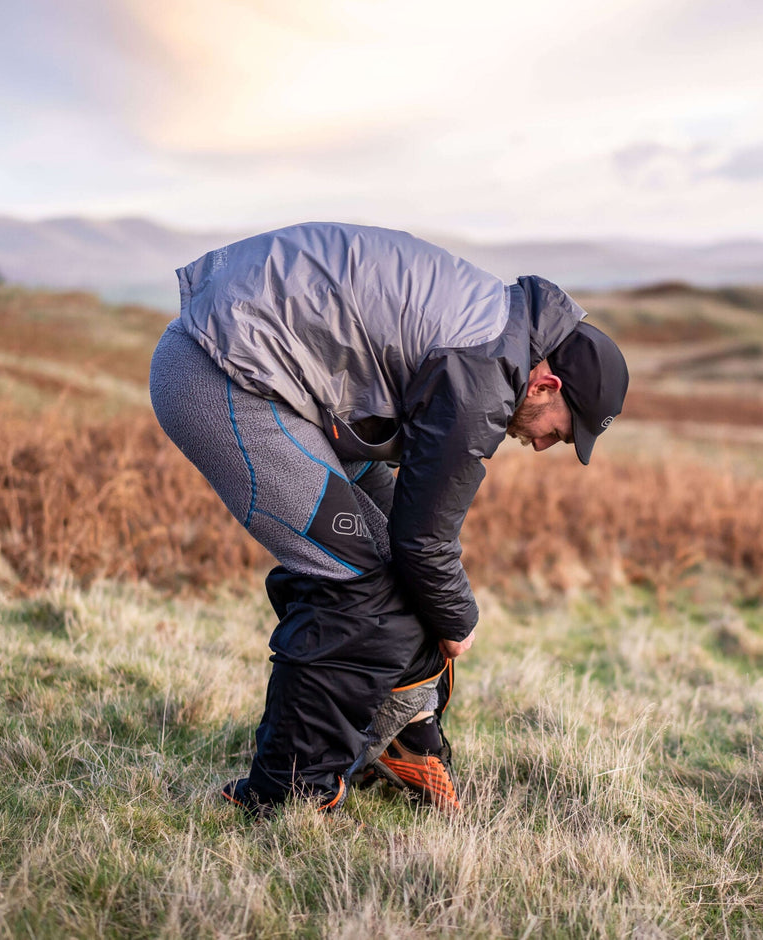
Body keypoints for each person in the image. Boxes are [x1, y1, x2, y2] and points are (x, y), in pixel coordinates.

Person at [149, 222, 629, 817]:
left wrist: (445, 606)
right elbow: (423, 538)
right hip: (224, 372)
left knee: (397, 578)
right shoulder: (484, 374)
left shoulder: (496, 330)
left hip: (282, 383)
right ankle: (286, 795)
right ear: (546, 383)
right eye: (558, 433)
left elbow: (418, 539)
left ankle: (408, 735)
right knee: (362, 586)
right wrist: (459, 623)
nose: (541, 445)